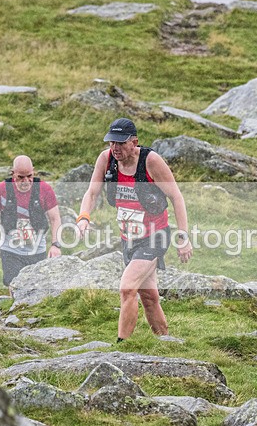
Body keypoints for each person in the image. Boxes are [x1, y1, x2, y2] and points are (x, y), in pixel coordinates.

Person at [76, 118, 193, 342]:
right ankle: (165, 341)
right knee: (149, 297)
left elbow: (176, 197)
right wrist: (84, 217)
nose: (115, 148)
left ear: (134, 142)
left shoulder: (151, 162)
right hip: (129, 238)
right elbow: (92, 193)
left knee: (127, 288)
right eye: (112, 142)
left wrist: (183, 237)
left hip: (155, 237)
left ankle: (122, 346)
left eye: (120, 143)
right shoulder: (106, 159)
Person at [0, 155, 62, 287]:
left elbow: (55, 218)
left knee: (36, 287)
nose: (26, 181)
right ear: (13, 174)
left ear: (34, 172)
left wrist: (55, 245)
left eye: (29, 176)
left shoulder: (44, 190)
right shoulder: (0, 190)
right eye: (20, 177)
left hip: (37, 249)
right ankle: (15, 307)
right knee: (13, 285)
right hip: (10, 250)